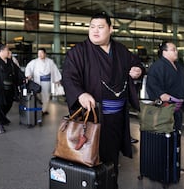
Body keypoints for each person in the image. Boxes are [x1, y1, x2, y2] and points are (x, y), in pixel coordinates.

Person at [62, 12, 145, 188]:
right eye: (92, 27)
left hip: (117, 117)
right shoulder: (79, 52)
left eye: (100, 27)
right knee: (90, 158)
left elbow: (136, 63)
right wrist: (80, 94)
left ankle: (111, 184)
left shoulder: (120, 50)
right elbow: (69, 77)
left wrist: (137, 70)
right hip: (93, 117)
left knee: (112, 158)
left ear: (111, 29)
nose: (95, 31)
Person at [146, 41, 184, 131]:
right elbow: (152, 83)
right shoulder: (157, 66)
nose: (176, 52)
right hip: (165, 106)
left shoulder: (178, 66)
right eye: (173, 50)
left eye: (176, 50)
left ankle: (175, 145)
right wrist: (161, 94)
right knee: (165, 131)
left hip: (177, 106)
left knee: (177, 130)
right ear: (164, 52)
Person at [0, 45, 24, 134]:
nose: (8, 52)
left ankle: (3, 118)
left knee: (8, 104)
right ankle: (0, 124)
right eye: (7, 50)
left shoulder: (10, 62)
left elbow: (18, 72)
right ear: (1, 52)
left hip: (9, 88)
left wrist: (23, 77)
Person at [25, 48, 61, 115]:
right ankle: (38, 109)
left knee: (46, 96)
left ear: (45, 54)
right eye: (39, 53)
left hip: (47, 82)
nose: (40, 55)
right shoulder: (34, 62)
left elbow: (55, 70)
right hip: (37, 82)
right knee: (38, 96)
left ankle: (44, 110)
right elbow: (28, 68)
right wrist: (29, 75)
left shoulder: (50, 62)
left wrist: (57, 80)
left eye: (41, 53)